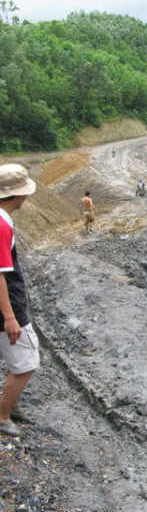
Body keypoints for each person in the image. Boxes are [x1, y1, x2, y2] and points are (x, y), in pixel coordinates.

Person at [0, 164, 40, 437]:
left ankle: (8, 404)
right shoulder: (2, 225)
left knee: (19, 360)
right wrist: (10, 317)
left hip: (7, 305)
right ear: (16, 195)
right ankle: (3, 415)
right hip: (7, 306)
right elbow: (0, 274)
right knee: (26, 363)